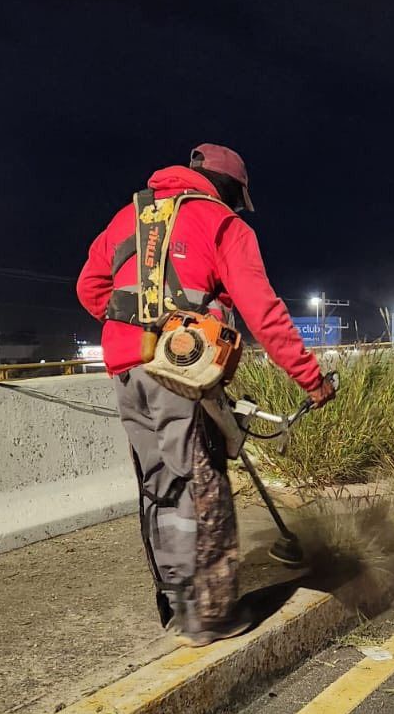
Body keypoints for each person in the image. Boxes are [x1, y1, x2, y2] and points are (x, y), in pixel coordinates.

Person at [77, 143, 335, 645]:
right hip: (182, 371)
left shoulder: (128, 216)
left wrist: (136, 326)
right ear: (230, 189)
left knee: (159, 486)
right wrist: (310, 378)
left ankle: (177, 604)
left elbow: (90, 290)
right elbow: (263, 310)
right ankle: (210, 615)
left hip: (127, 370)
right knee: (199, 482)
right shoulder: (223, 224)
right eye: (237, 198)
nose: (237, 207)